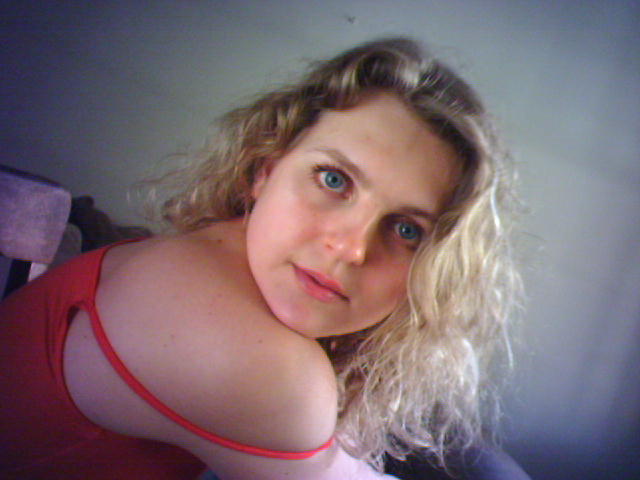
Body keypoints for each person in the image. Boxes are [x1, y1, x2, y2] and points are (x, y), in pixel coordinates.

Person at [0, 37, 521, 479]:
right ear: (265, 170)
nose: (352, 248)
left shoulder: (222, 255)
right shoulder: (268, 371)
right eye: (333, 180)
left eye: (407, 230)